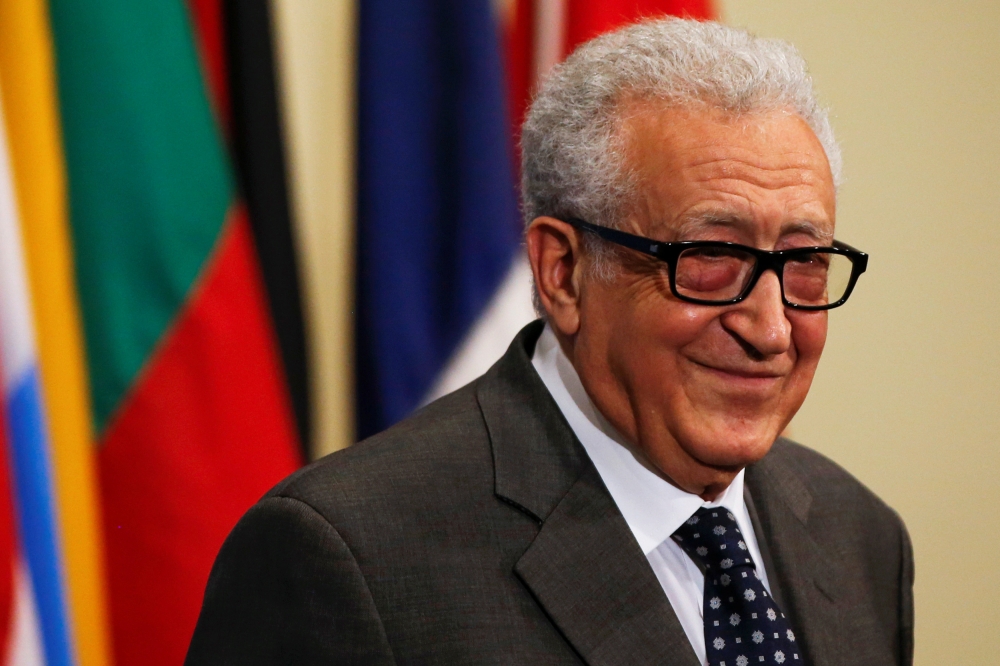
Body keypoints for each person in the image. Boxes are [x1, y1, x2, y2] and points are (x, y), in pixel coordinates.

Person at [186, 18, 913, 666]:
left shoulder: (862, 536)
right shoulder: (346, 558)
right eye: (709, 259)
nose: (771, 328)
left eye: (804, 263)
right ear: (563, 273)